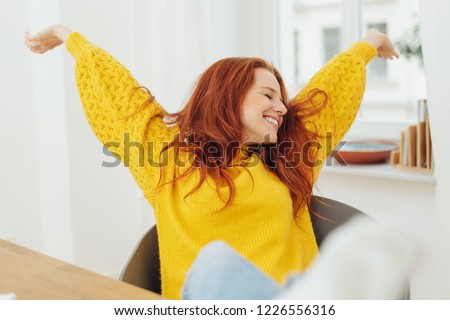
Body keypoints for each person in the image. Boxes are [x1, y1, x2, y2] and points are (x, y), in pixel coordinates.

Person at [25, 24, 399, 299]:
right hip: (203, 301)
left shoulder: (287, 157)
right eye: (268, 95)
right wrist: (67, 36)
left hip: (285, 302)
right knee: (216, 263)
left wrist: (371, 41)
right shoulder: (166, 157)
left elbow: (331, 93)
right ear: (228, 97)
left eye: (281, 99)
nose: (281, 108)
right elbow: (117, 93)